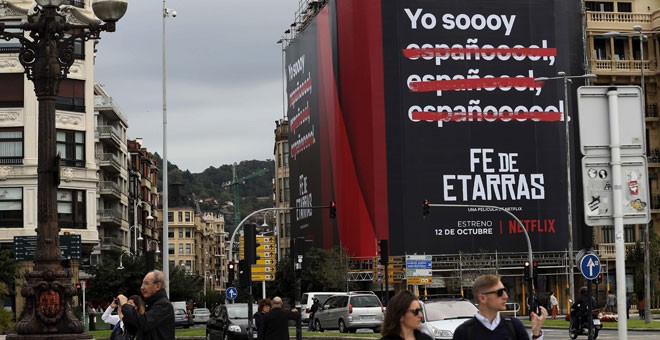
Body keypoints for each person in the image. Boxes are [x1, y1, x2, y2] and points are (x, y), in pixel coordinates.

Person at [453, 274, 546, 340]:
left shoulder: (513, 326)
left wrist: (536, 334)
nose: (506, 296)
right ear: (482, 298)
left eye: (505, 291)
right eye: (500, 292)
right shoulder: (464, 332)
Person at [119, 270, 175, 340]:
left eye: (146, 283)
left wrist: (125, 306)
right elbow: (135, 329)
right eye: (142, 284)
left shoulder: (164, 305)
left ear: (158, 286)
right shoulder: (149, 304)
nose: (142, 287)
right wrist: (126, 315)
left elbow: (145, 323)